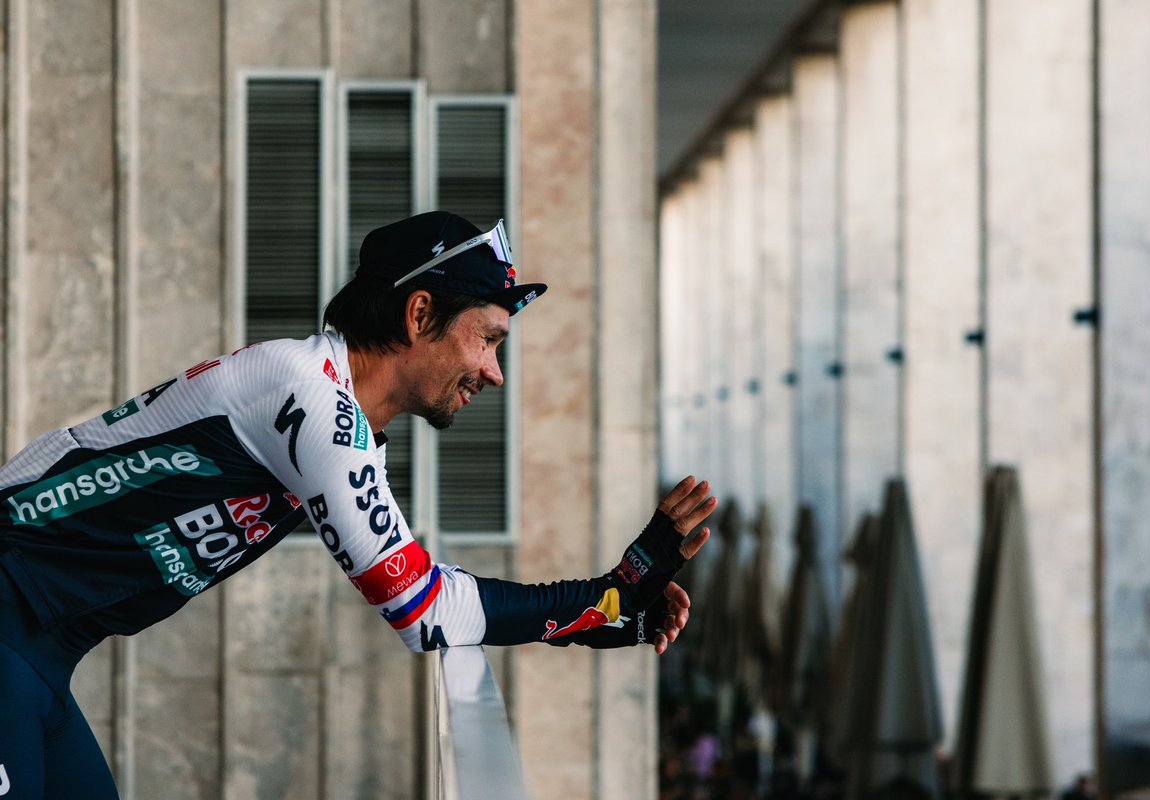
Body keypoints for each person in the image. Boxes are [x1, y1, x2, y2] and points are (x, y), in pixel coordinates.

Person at [0, 211, 717, 799]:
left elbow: (423, 589)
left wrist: (602, 614)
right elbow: (426, 612)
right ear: (418, 313)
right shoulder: (311, 399)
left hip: (43, 653)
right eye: (489, 340)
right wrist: (606, 598)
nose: (495, 372)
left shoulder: (334, 416)